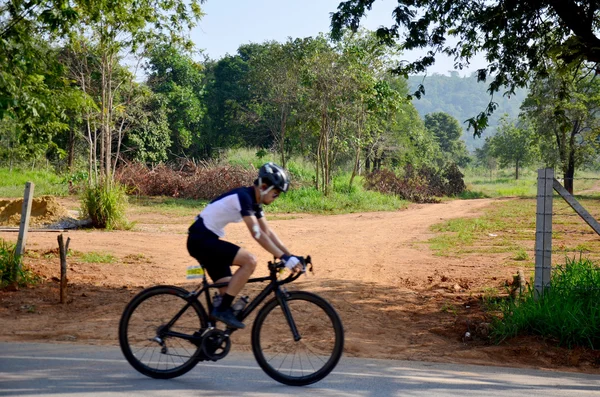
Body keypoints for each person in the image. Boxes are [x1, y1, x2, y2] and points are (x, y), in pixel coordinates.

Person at [187, 162, 304, 329]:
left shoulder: (254, 202)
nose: (276, 197)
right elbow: (257, 234)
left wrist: (290, 256)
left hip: (206, 241)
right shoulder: (244, 197)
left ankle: (208, 334)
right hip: (201, 240)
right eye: (276, 193)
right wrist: (283, 258)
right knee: (250, 261)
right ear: (264, 187)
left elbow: (268, 232)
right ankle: (222, 310)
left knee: (228, 289)